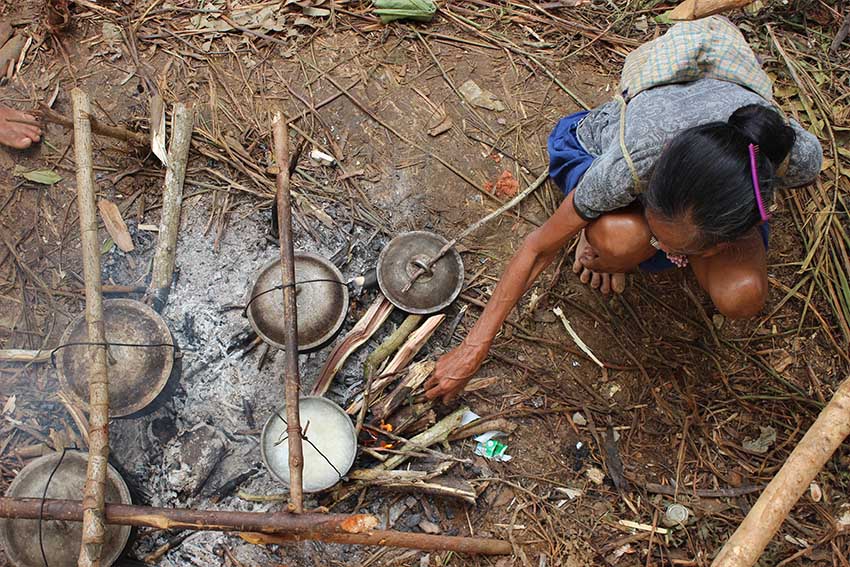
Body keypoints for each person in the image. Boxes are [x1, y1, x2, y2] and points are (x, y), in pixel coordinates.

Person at [424, 16, 823, 403]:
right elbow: (538, 247)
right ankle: (598, 223)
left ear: (722, 241)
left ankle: (644, 232)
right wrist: (473, 347)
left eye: (670, 246)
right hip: (611, 144)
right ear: (651, 187)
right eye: (656, 230)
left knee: (744, 295)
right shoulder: (632, 160)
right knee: (619, 240)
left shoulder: (792, 157)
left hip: (715, 177)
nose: (658, 243)